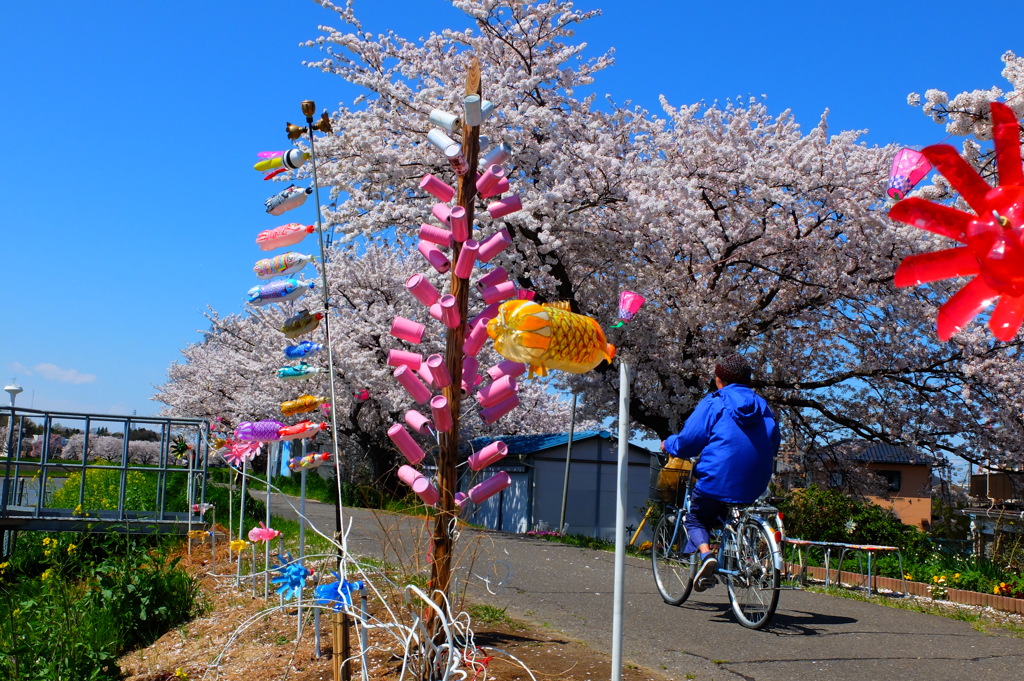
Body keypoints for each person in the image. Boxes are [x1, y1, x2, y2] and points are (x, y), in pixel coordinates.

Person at [661, 353, 781, 591]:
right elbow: (774, 442)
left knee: (695, 517)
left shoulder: (715, 401)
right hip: (756, 480)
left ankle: (707, 556)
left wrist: (669, 444)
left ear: (719, 380)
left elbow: (689, 441)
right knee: (730, 508)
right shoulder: (762, 405)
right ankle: (741, 548)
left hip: (718, 478)